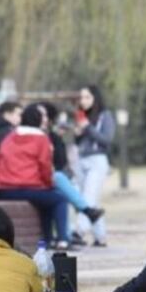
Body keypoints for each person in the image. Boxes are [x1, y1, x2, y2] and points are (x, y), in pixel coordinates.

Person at [0, 105, 71, 249]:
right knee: (59, 199)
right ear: (39, 120)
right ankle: (62, 239)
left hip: (3, 188)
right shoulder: (41, 139)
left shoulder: (9, 137)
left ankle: (48, 239)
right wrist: (49, 184)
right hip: (28, 187)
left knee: (47, 199)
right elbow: (45, 166)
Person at [38, 102, 104, 241]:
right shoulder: (37, 136)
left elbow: (60, 159)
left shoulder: (51, 135)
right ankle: (83, 217)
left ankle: (72, 232)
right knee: (61, 187)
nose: (43, 119)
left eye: (45, 115)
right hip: (39, 178)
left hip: (50, 175)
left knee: (67, 186)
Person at [73, 85, 113, 247]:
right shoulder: (82, 116)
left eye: (87, 97)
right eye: (81, 97)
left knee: (88, 197)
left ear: (95, 98)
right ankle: (100, 237)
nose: (83, 101)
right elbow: (79, 142)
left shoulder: (105, 116)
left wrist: (87, 127)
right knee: (90, 199)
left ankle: (79, 231)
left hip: (97, 160)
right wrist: (77, 133)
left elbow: (106, 140)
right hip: (81, 160)